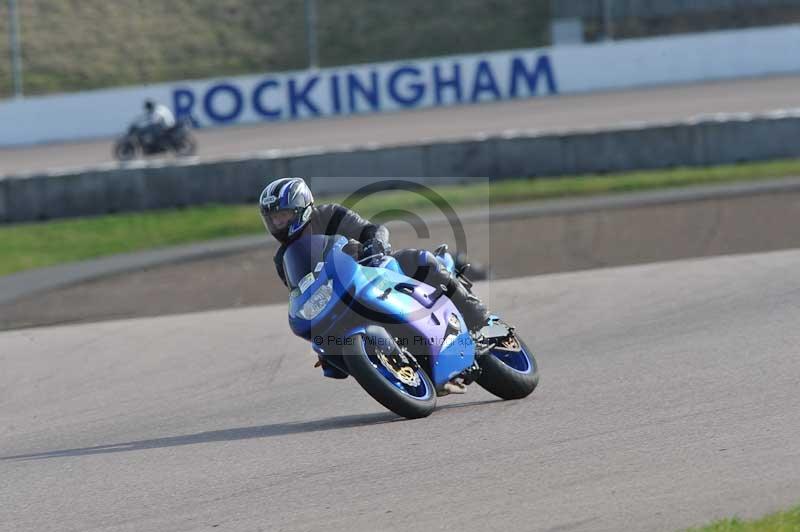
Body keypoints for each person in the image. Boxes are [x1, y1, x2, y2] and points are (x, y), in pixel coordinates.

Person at [259, 178, 491, 392]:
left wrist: (374, 245)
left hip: (373, 271)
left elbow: (373, 229)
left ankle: (478, 319)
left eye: (284, 215)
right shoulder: (283, 259)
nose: (278, 223)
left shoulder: (331, 215)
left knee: (421, 260)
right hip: (339, 299)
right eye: (273, 219)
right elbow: (301, 292)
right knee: (326, 352)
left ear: (302, 208)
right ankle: (394, 367)